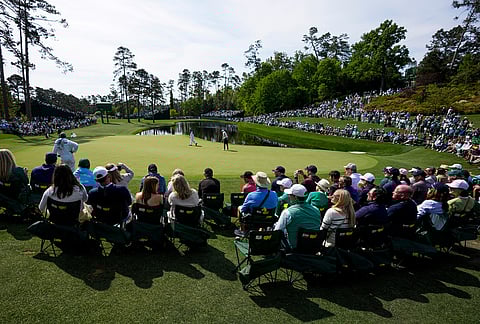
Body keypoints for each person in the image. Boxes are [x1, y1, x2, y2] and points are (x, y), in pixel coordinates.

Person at [274, 184, 321, 249]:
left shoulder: (288, 212)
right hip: (314, 245)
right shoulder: (316, 210)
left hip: (295, 247)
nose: (288, 196)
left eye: (290, 195)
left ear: (295, 197)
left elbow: (277, 231)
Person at [236, 171, 278, 236]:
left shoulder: (251, 195)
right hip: (268, 219)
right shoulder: (274, 194)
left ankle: (242, 230)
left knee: (239, 208)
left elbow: (243, 209)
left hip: (254, 219)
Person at [0, 149, 30, 214]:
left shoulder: (17, 171)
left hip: (3, 197)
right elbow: (26, 183)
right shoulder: (19, 171)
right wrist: (25, 174)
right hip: (16, 197)